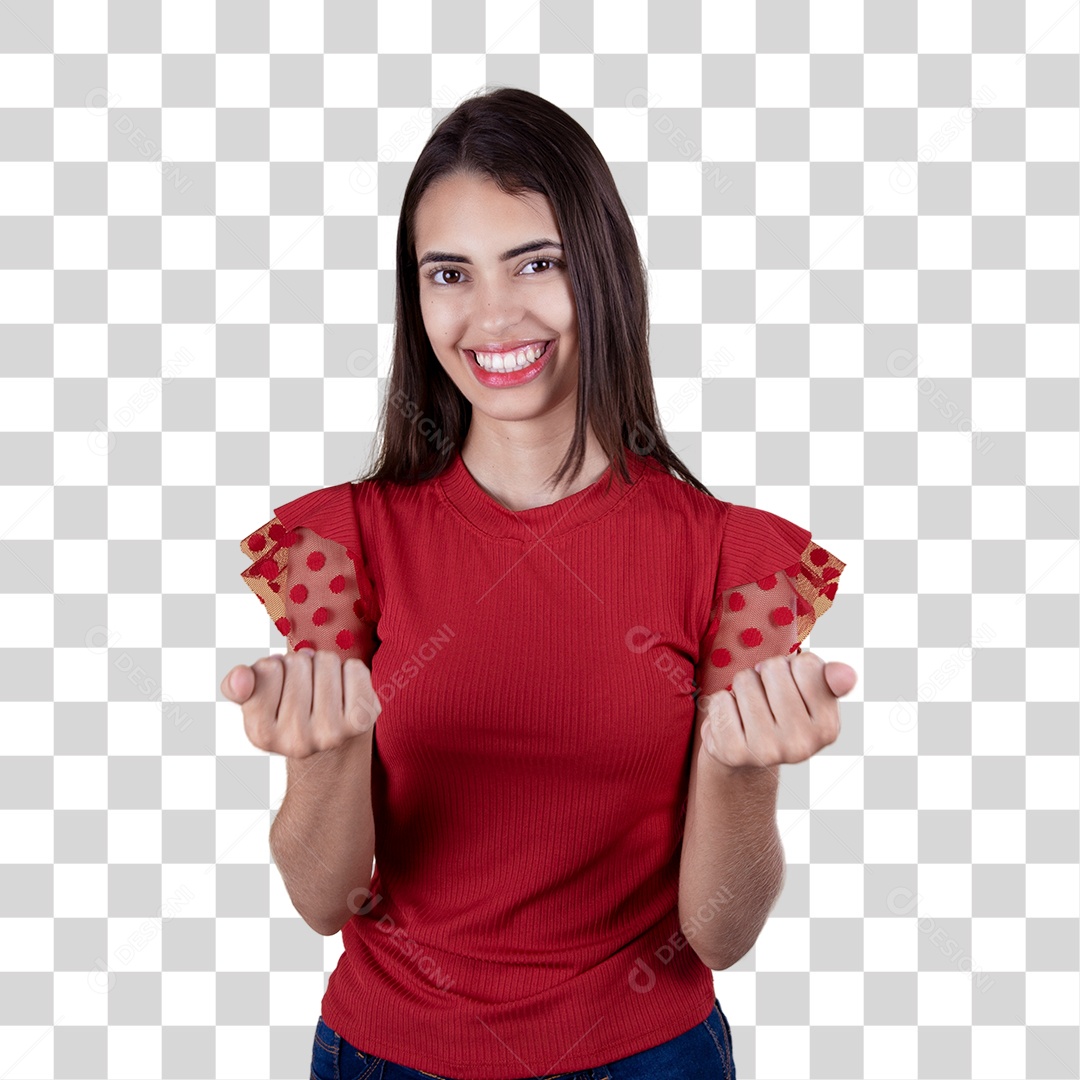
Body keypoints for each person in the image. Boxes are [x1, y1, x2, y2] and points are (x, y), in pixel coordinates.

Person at [220, 86, 855, 1080]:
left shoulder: (733, 561)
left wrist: (745, 771)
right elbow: (321, 902)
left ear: (601, 271)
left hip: (645, 1055)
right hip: (390, 1056)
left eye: (537, 262)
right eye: (449, 274)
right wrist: (333, 754)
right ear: (415, 295)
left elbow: (720, 936)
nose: (492, 314)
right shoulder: (341, 547)